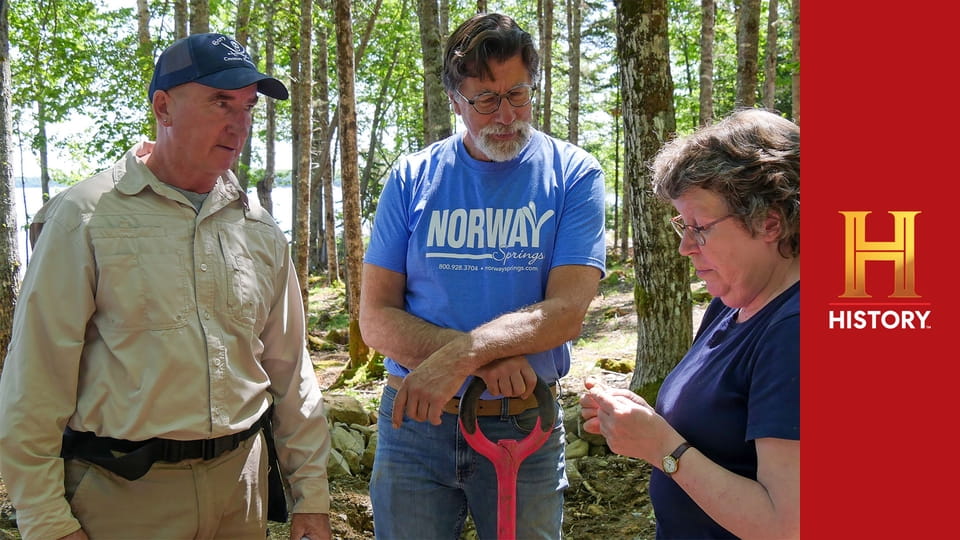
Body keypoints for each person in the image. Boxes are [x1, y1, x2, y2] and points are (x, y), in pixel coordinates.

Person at [0, 33, 332, 540]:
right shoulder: (86, 218)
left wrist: (312, 495)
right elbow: (34, 379)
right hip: (123, 495)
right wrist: (47, 521)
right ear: (163, 107)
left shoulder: (258, 229)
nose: (239, 124)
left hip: (241, 492)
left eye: (247, 107)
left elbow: (290, 370)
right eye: (220, 102)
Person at [359, 12, 606, 540]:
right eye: (486, 100)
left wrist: (463, 358)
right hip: (416, 420)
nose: (507, 115)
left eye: (518, 94)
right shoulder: (411, 178)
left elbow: (566, 312)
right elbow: (376, 318)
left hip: (524, 422)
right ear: (455, 101)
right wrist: (479, 359)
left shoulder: (574, 174)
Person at [580, 108, 800, 539]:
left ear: (769, 223)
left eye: (699, 227)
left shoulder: (794, 333)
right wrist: (641, 422)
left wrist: (662, 448)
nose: (685, 246)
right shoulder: (732, 302)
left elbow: (786, 525)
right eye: (683, 225)